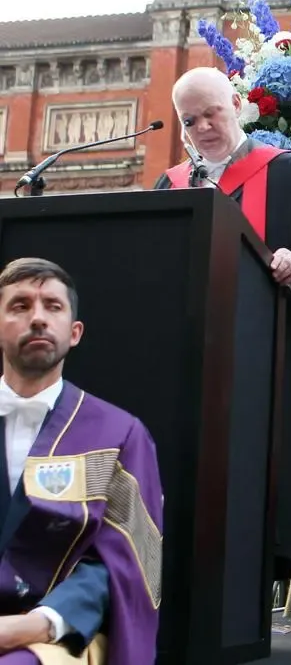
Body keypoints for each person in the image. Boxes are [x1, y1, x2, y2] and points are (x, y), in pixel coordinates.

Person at [157, 66, 291, 579]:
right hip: (193, 365)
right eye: (190, 121)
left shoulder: (289, 173)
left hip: (268, 362)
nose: (203, 127)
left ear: (236, 104)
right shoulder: (172, 185)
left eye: (211, 113)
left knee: (257, 486)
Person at [0, 258, 162, 664]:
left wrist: (40, 623)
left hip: (59, 634)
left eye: (52, 306)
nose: (37, 318)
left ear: (75, 333)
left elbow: (126, 563)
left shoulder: (119, 436)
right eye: (20, 306)